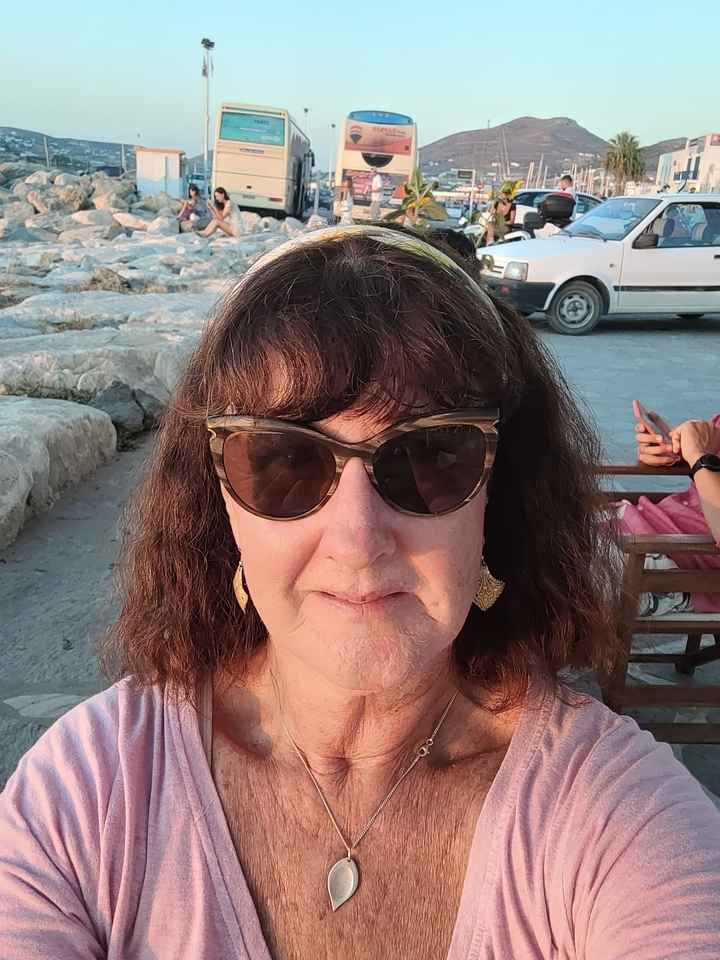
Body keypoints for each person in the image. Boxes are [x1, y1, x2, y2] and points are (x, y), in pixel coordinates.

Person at [1, 225, 720, 959]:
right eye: (283, 458)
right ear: (218, 495)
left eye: (431, 456)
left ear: (499, 496)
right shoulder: (85, 798)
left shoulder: (616, 819)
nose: (357, 539)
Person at [617, 411, 720, 614]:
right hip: (639, 529)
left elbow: (703, 458)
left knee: (548, 567)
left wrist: (699, 457)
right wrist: (675, 449)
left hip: (668, 561)